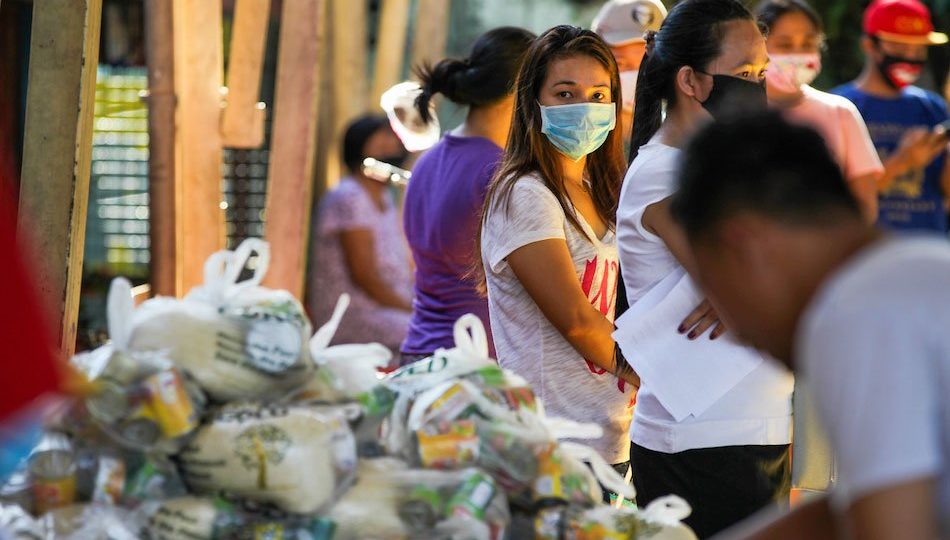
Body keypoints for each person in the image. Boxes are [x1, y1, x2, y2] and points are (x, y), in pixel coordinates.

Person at [672, 111, 950, 539]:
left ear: (743, 245)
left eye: (713, 289)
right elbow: (855, 507)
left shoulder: (855, 311)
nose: (741, 334)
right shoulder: (912, 274)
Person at [618, 0, 794, 536]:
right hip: (702, 443)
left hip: (753, 428)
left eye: (763, 74)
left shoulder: (727, 167)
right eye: (745, 74)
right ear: (690, 81)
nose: (758, 89)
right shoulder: (663, 173)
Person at [477, 25, 638, 472]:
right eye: (565, 94)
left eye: (598, 95)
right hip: (552, 444)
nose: (585, 108)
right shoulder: (526, 194)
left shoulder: (598, 187)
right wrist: (658, 375)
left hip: (608, 438)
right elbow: (578, 322)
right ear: (534, 102)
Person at [399, 27, 536, 365]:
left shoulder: (426, 162)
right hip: (474, 365)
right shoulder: (499, 173)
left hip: (419, 352)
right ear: (523, 87)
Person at [757, 0, 883, 223]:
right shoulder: (738, 116)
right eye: (785, 45)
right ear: (758, 47)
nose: (798, 54)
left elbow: (865, 205)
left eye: (808, 44)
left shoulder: (841, 112)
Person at [832, 0, 950, 234]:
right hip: (868, 254)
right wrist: (903, 161)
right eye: (899, 48)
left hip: (928, 248)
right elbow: (836, 200)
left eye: (918, 49)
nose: (910, 58)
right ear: (869, 45)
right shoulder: (840, 107)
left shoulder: (932, 107)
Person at [309, 115, 413, 355]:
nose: (395, 145)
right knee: (431, 334)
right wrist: (410, 309)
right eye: (385, 138)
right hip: (355, 316)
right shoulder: (350, 197)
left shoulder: (385, 198)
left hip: (387, 308)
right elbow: (365, 276)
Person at [592, 0, 668, 145]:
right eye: (621, 63)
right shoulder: (584, 137)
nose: (636, 74)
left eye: (646, 62)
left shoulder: (676, 137)